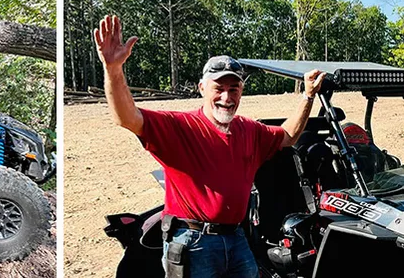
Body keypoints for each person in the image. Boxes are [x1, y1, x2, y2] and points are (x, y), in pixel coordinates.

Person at [94, 15, 324, 278]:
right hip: (192, 241)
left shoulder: (250, 130)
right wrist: (113, 69)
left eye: (234, 89)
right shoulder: (178, 126)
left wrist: (308, 95)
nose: (226, 97)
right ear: (202, 88)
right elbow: (126, 117)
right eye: (219, 88)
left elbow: (288, 136)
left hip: (237, 239)